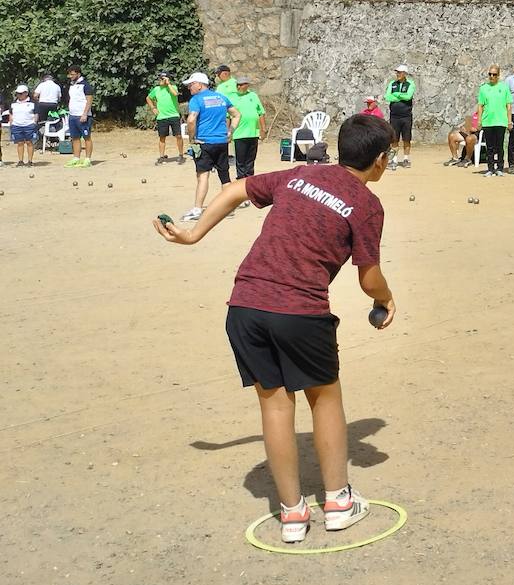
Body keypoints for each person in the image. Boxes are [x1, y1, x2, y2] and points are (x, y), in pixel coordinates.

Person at [152, 113, 396, 544]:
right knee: (324, 398)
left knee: (276, 406)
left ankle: (292, 513)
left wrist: (193, 235)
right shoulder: (366, 204)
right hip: (298, 311)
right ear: (380, 160)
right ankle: (338, 502)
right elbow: (368, 277)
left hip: (245, 307)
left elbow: (235, 189)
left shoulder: (301, 174)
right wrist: (384, 299)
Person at [182, 72, 240, 222]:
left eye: (191, 84)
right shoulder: (221, 97)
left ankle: (197, 209)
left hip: (204, 143)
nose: (189, 88)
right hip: (221, 142)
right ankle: (229, 209)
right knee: (224, 176)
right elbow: (237, 114)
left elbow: (191, 119)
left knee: (202, 176)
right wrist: (230, 132)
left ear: (200, 84)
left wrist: (192, 139)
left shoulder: (196, 100)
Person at [477, 64, 513, 176]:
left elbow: (508, 105)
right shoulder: (483, 88)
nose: (492, 76)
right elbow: (480, 106)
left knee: (500, 146)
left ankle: (500, 168)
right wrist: (479, 121)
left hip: (501, 121)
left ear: (498, 75)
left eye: (494, 74)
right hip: (488, 121)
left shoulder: (504, 88)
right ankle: (490, 168)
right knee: (490, 147)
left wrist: (509, 121)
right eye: (490, 74)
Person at [232, 75, 266, 180]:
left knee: (250, 160)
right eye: (240, 85)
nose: (241, 87)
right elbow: (228, 116)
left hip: (253, 133)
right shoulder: (232, 97)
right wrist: (228, 131)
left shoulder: (253, 95)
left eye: (244, 85)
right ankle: (241, 181)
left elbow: (261, 113)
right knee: (241, 160)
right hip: (239, 134)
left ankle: (250, 181)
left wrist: (263, 129)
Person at [147, 72, 185, 165]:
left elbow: (175, 94)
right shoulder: (156, 89)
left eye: (162, 79)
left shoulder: (173, 87)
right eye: (159, 79)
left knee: (178, 136)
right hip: (162, 117)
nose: (160, 81)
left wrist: (168, 84)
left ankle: (180, 155)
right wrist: (153, 108)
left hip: (174, 115)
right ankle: (161, 156)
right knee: (162, 137)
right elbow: (148, 98)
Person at [385, 65, 415, 168]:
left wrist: (396, 95)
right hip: (394, 116)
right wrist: (400, 95)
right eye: (397, 72)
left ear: (405, 74)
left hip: (406, 116)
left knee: (406, 138)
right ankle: (394, 160)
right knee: (394, 139)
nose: (398, 74)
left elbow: (408, 97)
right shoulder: (392, 84)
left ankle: (406, 159)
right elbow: (387, 96)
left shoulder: (410, 83)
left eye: (400, 72)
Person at [65, 66, 94, 169]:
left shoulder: (85, 85)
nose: (70, 76)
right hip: (72, 115)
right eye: (69, 74)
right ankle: (76, 158)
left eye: (72, 74)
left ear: (78, 74)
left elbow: (89, 100)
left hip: (83, 116)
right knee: (75, 137)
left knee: (87, 137)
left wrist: (85, 113)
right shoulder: (72, 85)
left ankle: (87, 159)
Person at [8, 85, 37, 167]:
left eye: (21, 93)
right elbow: (11, 113)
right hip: (17, 125)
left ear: (26, 93)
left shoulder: (32, 103)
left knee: (29, 142)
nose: (19, 95)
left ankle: (30, 161)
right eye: (17, 93)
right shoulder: (14, 103)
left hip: (29, 125)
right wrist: (11, 123)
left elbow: (36, 113)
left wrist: (34, 122)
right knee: (20, 143)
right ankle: (20, 161)